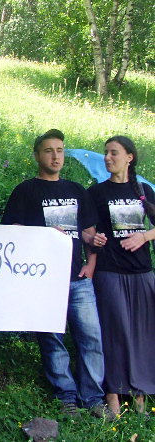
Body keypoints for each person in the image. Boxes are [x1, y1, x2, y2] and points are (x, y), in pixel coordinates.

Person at [1, 129, 113, 420]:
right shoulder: (25, 191)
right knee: (52, 341)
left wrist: (91, 260)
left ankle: (93, 398)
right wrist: (42, 232)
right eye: (49, 150)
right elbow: (10, 232)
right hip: (44, 280)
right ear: (37, 155)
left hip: (78, 279)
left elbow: (88, 232)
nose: (55, 156)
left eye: (60, 150)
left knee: (91, 339)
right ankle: (66, 397)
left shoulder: (77, 190)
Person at [86, 136, 155, 416]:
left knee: (141, 334)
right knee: (113, 333)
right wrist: (94, 240)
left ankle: (139, 395)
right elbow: (88, 232)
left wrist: (144, 237)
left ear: (129, 157)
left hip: (142, 272)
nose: (107, 157)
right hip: (109, 271)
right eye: (106, 153)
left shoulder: (144, 190)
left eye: (114, 153)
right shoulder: (96, 193)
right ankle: (113, 395)